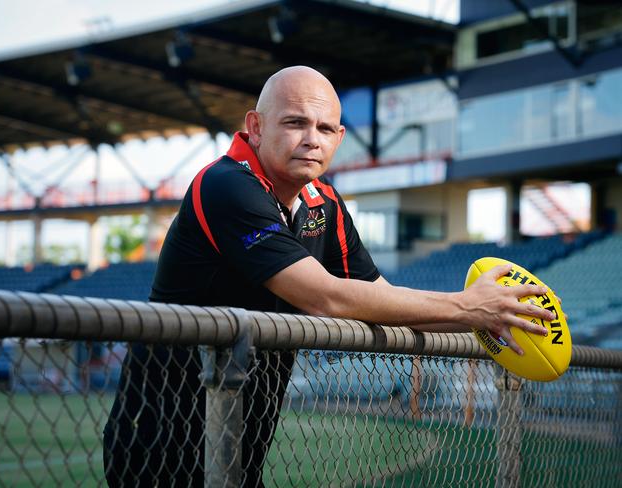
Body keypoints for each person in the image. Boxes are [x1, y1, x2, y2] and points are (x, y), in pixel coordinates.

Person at [103, 66, 553, 487]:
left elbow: (384, 300)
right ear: (255, 127)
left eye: (324, 129)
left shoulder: (325, 205)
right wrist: (466, 305)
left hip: (240, 438)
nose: (311, 140)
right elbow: (325, 298)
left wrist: (489, 316)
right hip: (158, 438)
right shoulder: (224, 185)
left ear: (339, 138)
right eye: (294, 123)